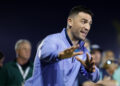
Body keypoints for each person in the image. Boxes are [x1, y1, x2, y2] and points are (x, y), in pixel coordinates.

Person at [25, 5, 100, 86]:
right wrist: (59, 55)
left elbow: (96, 78)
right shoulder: (52, 40)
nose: (87, 27)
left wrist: (91, 71)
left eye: (90, 23)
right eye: (83, 21)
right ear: (70, 21)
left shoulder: (83, 50)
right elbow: (43, 54)